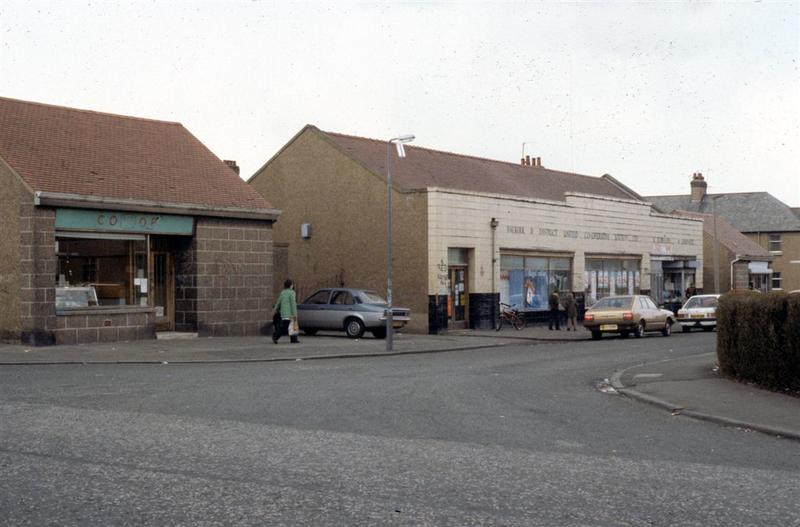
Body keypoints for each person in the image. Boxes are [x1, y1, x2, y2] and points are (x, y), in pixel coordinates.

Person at [272, 279, 299, 344]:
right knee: (285, 327)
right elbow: (293, 304)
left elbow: (278, 302)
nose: (292, 285)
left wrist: (275, 309)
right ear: (290, 285)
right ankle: (275, 336)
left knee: (292, 325)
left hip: (283, 313)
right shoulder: (292, 293)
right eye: (292, 284)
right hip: (290, 313)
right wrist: (295, 314)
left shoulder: (283, 292)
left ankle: (294, 339)